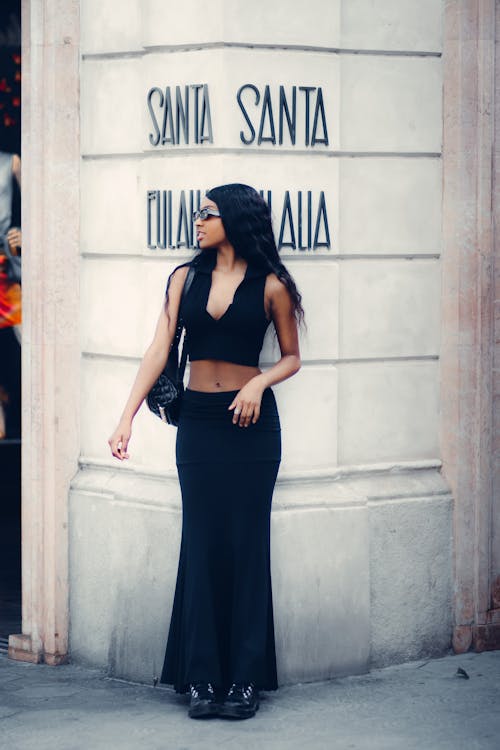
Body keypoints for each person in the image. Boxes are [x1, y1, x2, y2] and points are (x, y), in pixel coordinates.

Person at [108, 183, 304, 720]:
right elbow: (159, 347)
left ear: (235, 219)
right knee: (201, 543)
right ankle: (201, 678)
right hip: (196, 424)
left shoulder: (272, 286)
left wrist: (258, 384)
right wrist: (126, 416)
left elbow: (291, 357)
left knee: (246, 545)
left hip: (252, 428)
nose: (198, 221)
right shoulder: (184, 278)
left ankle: (244, 680)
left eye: (208, 213)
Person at [0, 150, 21, 440]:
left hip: (5, 264)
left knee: (25, 338)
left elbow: (39, 204)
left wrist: (23, 232)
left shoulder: (10, 162)